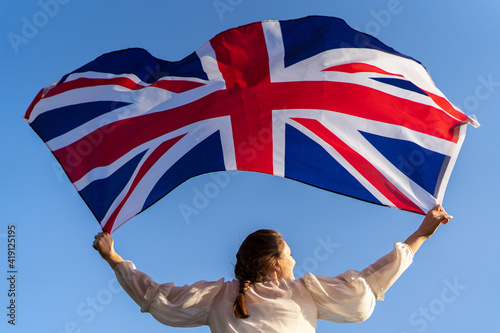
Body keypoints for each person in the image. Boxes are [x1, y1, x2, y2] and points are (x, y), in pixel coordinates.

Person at [93, 204, 452, 332]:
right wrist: (421, 234)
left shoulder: (218, 296)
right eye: (291, 252)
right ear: (278, 262)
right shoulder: (303, 291)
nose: (296, 259)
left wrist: (114, 259)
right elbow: (368, 284)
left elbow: (156, 297)